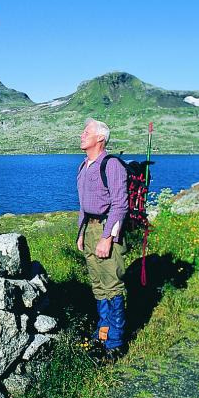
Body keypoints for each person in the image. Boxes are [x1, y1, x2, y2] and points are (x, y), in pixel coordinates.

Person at [76, 118, 129, 360]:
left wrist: (107, 237)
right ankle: (103, 333)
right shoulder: (83, 165)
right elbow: (83, 206)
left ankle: (115, 344)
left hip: (106, 230)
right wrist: (81, 233)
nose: (82, 135)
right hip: (89, 230)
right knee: (98, 285)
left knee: (112, 285)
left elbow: (120, 205)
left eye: (86, 132)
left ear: (100, 138)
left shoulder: (112, 165)